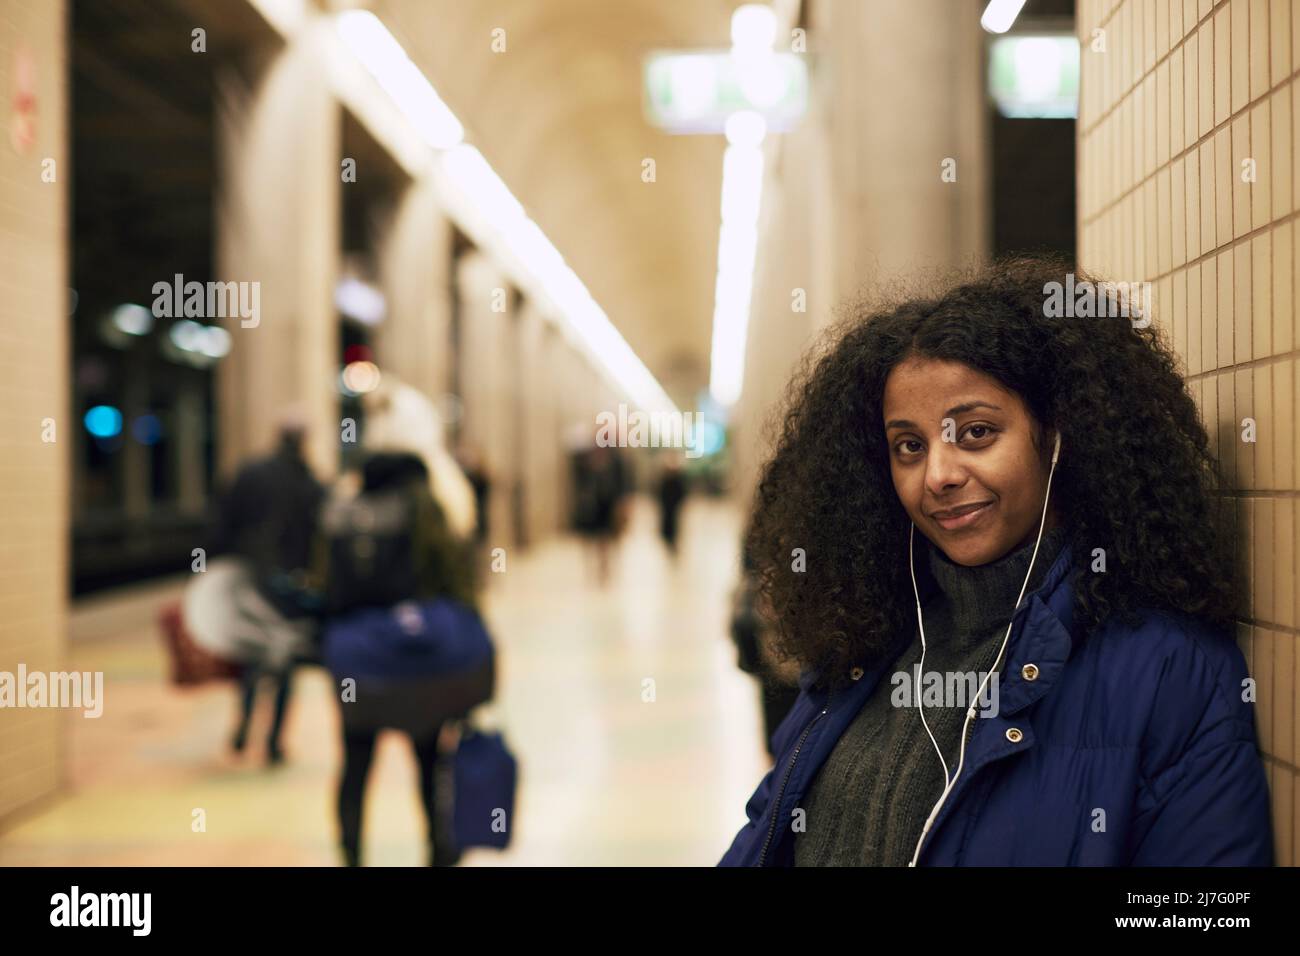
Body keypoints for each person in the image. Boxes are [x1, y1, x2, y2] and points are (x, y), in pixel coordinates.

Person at [720, 257, 1273, 866]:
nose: (939, 475)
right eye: (910, 445)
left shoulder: (1167, 672)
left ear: (1059, 435)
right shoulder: (865, 645)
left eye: (977, 433)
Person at [321, 452, 482, 868]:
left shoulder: (342, 516)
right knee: (429, 760)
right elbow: (456, 583)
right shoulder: (424, 510)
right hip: (416, 658)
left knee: (355, 763)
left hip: (358, 663)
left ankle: (351, 853)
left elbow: (323, 586)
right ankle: (439, 848)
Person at [210, 412, 324, 765]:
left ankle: (244, 723)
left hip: (250, 578)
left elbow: (220, 523)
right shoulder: (310, 482)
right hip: (291, 584)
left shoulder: (250, 472)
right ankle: (274, 740)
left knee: (250, 655)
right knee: (285, 660)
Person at [571, 440, 631, 586]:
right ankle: (593, 566)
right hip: (592, 505)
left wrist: (623, 504)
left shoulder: (616, 460)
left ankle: (604, 566)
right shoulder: (586, 459)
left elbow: (622, 483)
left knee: (606, 537)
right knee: (591, 537)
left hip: (608, 504)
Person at [656, 455, 688, 556]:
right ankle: (669, 543)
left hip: (673, 510)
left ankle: (672, 544)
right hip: (667, 510)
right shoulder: (665, 481)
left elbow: (682, 494)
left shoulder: (678, 481)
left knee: (674, 527)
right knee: (668, 528)